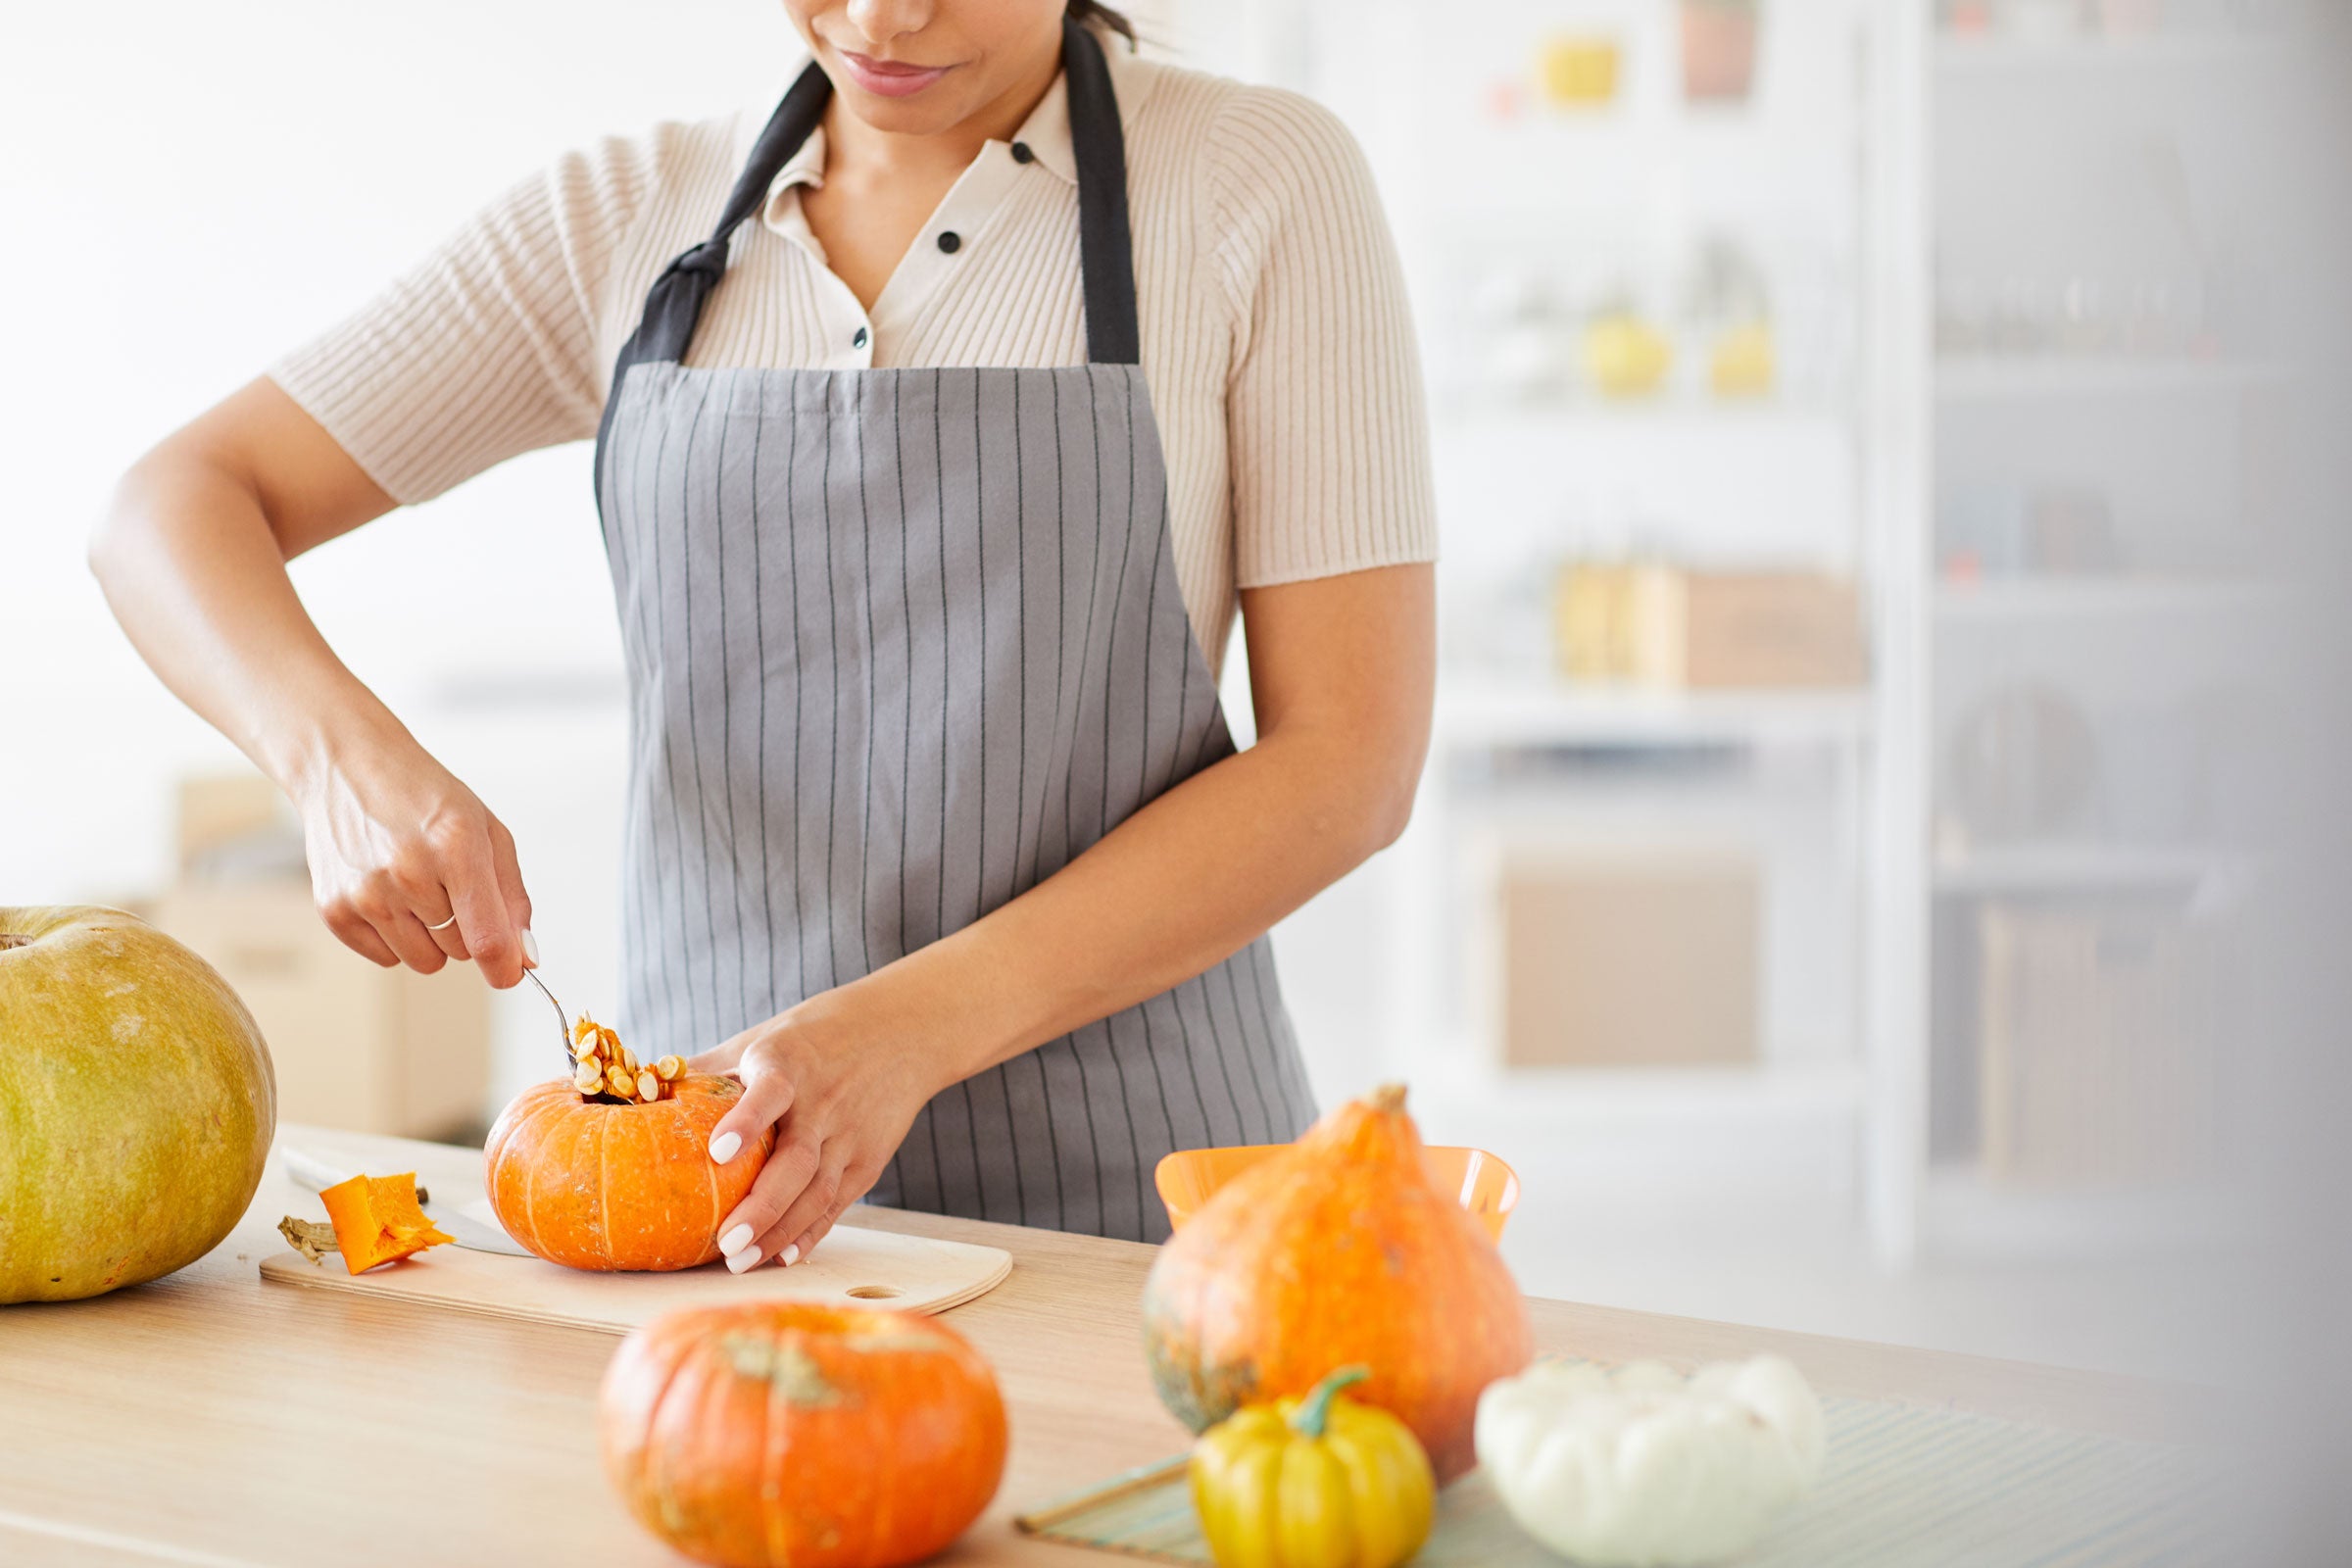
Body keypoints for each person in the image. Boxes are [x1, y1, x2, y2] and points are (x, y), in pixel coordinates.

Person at [91, 0, 1435, 1265]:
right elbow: (170, 507)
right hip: (708, 1212)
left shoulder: (1257, 179)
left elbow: (1349, 761)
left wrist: (903, 1032)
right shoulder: (628, 214)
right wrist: (341, 763)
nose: (880, 19)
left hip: (1151, 1212)